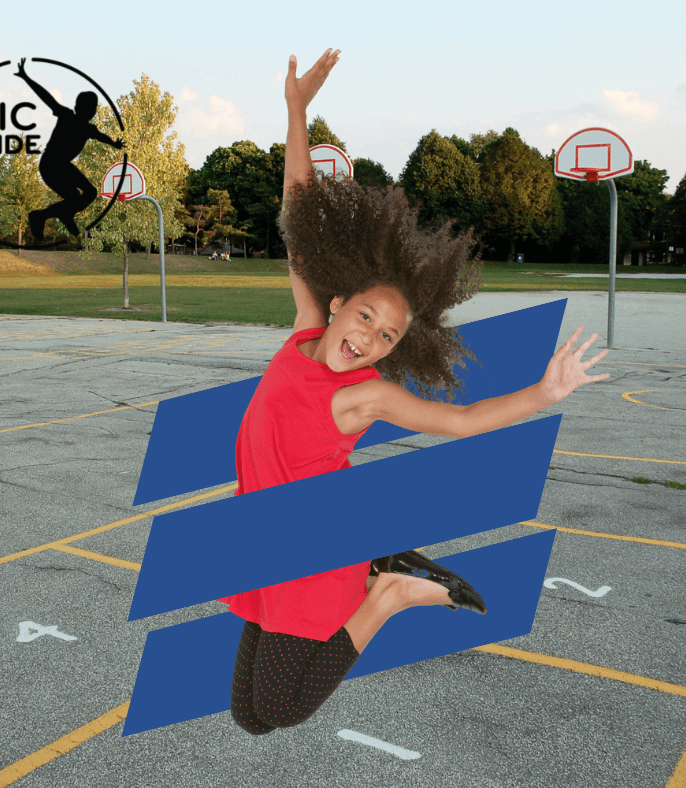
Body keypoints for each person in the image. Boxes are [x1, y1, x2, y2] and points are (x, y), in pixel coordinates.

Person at [218, 49, 610, 737]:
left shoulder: (363, 395)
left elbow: (458, 421)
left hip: (311, 551)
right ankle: (382, 566)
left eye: (388, 337)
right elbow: (297, 210)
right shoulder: (304, 330)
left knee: (276, 710)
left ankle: (389, 594)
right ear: (336, 303)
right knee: (247, 716)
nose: (370, 337)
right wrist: (296, 110)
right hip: (262, 537)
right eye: (365, 317)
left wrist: (544, 393)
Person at [14, 58, 124, 240]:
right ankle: (44, 216)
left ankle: (54, 215)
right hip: (50, 164)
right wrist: (26, 78)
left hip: (62, 165)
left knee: (86, 194)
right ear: (77, 108)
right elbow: (46, 97)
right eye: (89, 107)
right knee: (79, 196)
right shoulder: (66, 115)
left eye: (93, 108)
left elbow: (102, 137)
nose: (92, 111)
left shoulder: (89, 129)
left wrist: (114, 143)